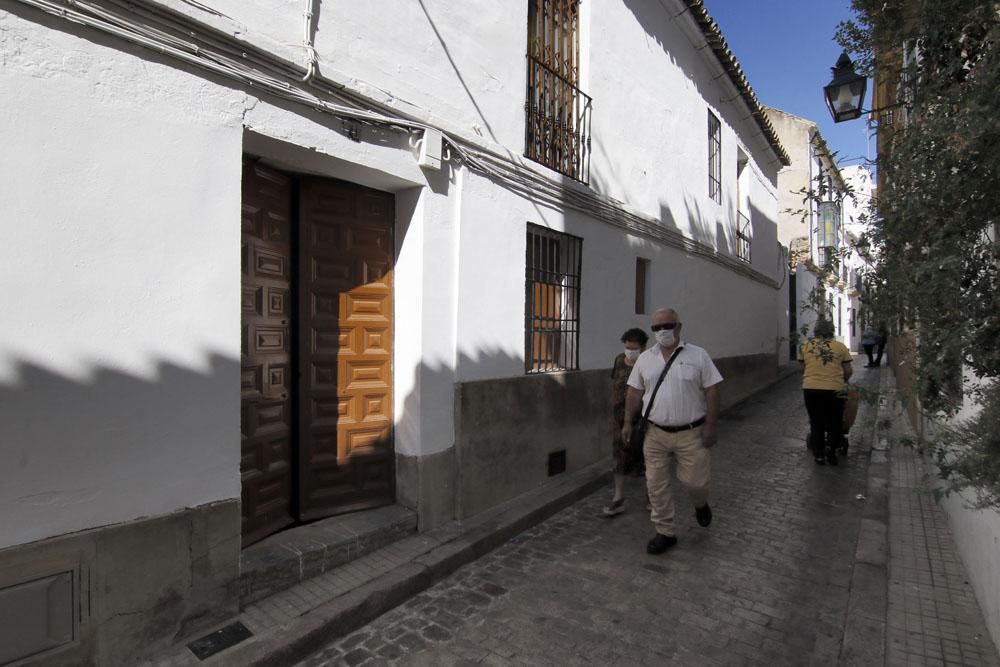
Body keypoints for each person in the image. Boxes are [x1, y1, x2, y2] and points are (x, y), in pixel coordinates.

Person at [622, 308, 723, 555]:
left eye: (667, 326)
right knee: (655, 484)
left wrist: (711, 424)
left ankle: (700, 504)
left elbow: (712, 389)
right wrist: (627, 422)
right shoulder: (646, 359)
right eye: (656, 328)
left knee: (695, 482)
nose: (662, 331)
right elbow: (634, 392)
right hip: (655, 433)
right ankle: (664, 532)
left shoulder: (698, 355)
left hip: (691, 433)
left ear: (678, 327)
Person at [603, 328, 650, 517]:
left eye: (634, 348)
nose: (630, 351)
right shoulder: (619, 360)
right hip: (619, 420)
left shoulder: (650, 364)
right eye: (627, 347)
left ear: (643, 347)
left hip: (643, 421)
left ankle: (651, 498)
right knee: (619, 458)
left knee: (648, 459)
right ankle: (618, 498)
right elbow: (615, 384)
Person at [799, 319, 853, 466]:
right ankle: (832, 452)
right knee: (834, 421)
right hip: (835, 389)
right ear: (832, 330)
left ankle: (819, 456)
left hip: (811, 389)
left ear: (815, 330)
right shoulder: (840, 347)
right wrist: (844, 381)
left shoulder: (806, 346)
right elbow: (848, 370)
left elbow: (802, 368)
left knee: (816, 421)